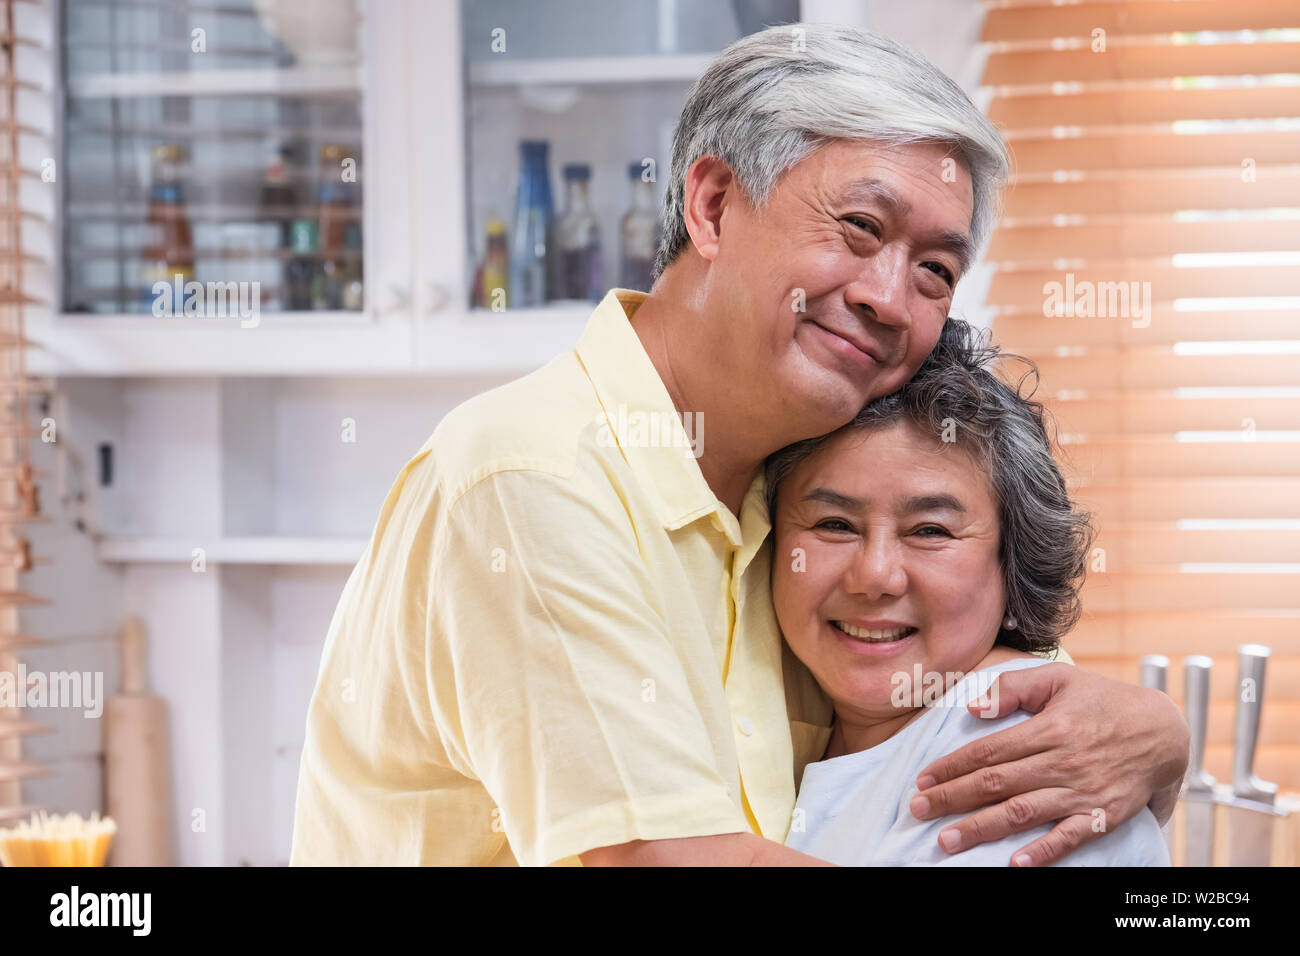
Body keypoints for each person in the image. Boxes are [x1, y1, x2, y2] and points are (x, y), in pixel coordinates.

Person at [290, 23, 1188, 867]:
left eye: (935, 271)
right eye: (861, 228)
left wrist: (1155, 734)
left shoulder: (792, 480)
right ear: (714, 206)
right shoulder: (536, 477)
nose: (889, 297)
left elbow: (1007, 700)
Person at [770, 319, 1171, 865]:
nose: (875, 576)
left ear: (1012, 564)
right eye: (835, 524)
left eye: (931, 532)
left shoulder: (1018, 750)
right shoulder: (799, 713)